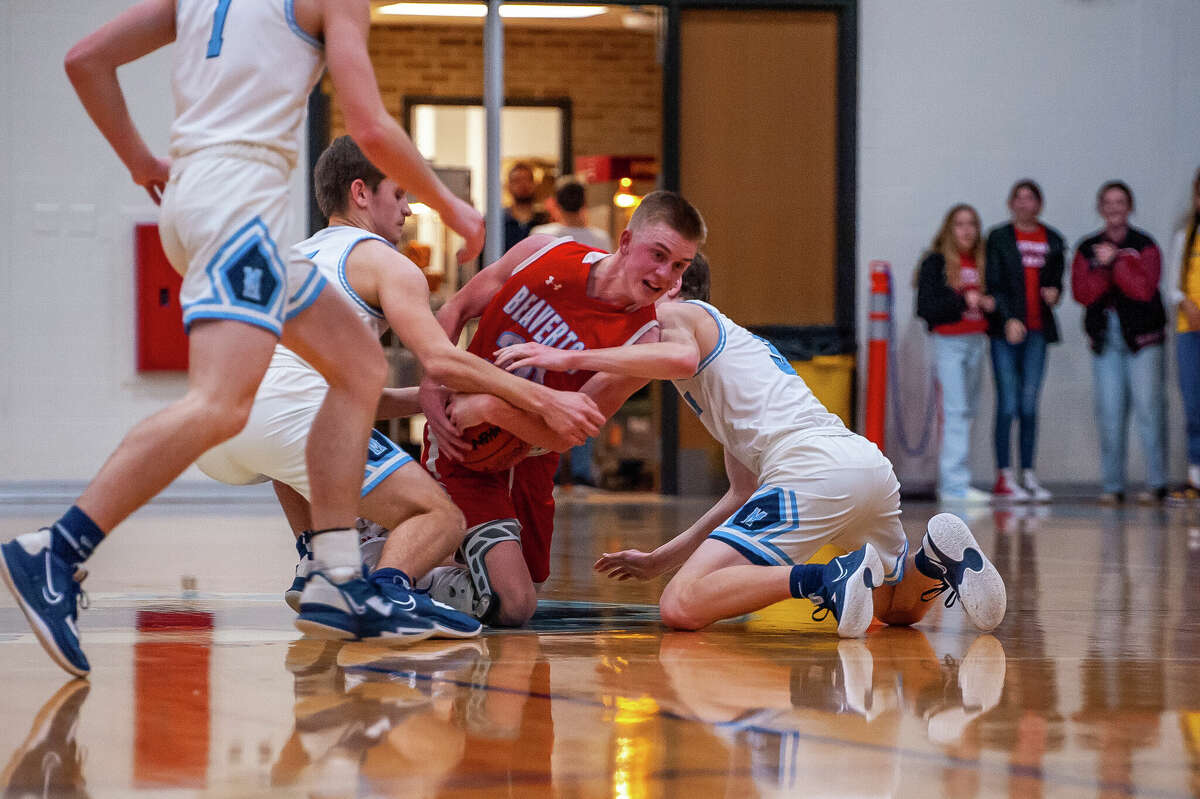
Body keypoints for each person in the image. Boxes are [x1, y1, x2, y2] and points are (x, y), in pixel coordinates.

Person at [0, 0, 491, 676]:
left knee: (358, 365)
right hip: (241, 198)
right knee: (220, 401)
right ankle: (55, 549)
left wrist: (141, 159)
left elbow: (85, 61)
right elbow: (371, 127)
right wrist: (450, 202)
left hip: (200, 191)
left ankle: (337, 572)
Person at [194, 136, 605, 637]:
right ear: (361, 193)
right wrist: (540, 396)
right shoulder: (386, 262)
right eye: (401, 194)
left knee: (304, 444)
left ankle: (317, 566)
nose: (409, 209)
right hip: (288, 417)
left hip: (222, 429)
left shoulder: (294, 256)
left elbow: (324, 389)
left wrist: (424, 399)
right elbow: (441, 360)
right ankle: (390, 592)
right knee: (440, 517)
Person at [494, 254, 1008, 637]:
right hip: (864, 466)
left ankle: (826, 577)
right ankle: (938, 558)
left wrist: (563, 360)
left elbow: (671, 358)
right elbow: (739, 496)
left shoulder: (679, 316)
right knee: (893, 608)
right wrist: (658, 560)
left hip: (814, 469)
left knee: (681, 606)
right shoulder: (734, 363)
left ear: (671, 286)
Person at [419, 191, 706, 627]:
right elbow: (457, 307)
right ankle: (391, 561)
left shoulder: (642, 343)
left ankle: (422, 542)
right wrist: (430, 381)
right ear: (626, 242)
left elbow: (563, 435)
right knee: (513, 603)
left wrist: (492, 407)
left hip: (529, 455)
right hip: (465, 445)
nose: (664, 274)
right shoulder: (543, 251)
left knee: (519, 596)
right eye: (658, 255)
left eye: (679, 265)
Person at [1071, 181, 1167, 505]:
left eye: (1121, 202)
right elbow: (1083, 292)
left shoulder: (1145, 245)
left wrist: (1117, 261)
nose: (1114, 208)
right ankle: (1113, 486)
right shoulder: (1087, 248)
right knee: (1110, 413)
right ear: (1101, 208)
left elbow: (1143, 289)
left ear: (1129, 207)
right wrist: (1103, 265)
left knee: (1149, 411)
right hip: (1105, 341)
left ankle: (1157, 485)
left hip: (1144, 340)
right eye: (1108, 202)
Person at [984, 180, 1068, 502]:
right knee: (1007, 403)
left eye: (1030, 198)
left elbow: (1056, 281)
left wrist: (1055, 293)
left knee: (1029, 404)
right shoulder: (999, 238)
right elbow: (993, 281)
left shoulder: (1054, 239)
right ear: (1010, 204)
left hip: (1037, 332)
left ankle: (1028, 473)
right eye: (1018, 198)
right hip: (1006, 332)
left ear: (1039, 203)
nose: (1024, 204)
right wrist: (1008, 318)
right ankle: (1004, 475)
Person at [532, 177, 614, 486]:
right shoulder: (600, 238)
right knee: (585, 395)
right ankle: (581, 469)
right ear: (584, 203)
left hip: (544, 323)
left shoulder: (542, 234)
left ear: (555, 202)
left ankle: (545, 462)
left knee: (545, 392)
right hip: (586, 328)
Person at [916, 205, 995, 505]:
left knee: (970, 411)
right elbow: (926, 308)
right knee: (956, 412)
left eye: (972, 224)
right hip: (949, 342)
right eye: (960, 224)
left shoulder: (982, 261)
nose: (966, 230)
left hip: (977, 340)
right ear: (949, 228)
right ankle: (954, 486)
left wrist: (989, 304)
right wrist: (962, 300)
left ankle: (960, 481)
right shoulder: (935, 262)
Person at [1163, 168, 1200, 502]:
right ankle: (1195, 477)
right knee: (1193, 405)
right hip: (1190, 330)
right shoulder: (1186, 235)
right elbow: (1173, 287)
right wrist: (1186, 304)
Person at [502, 162, 551, 252]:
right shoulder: (498, 221)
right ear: (508, 186)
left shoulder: (545, 220)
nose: (523, 185)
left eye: (527, 180)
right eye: (517, 181)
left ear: (534, 184)